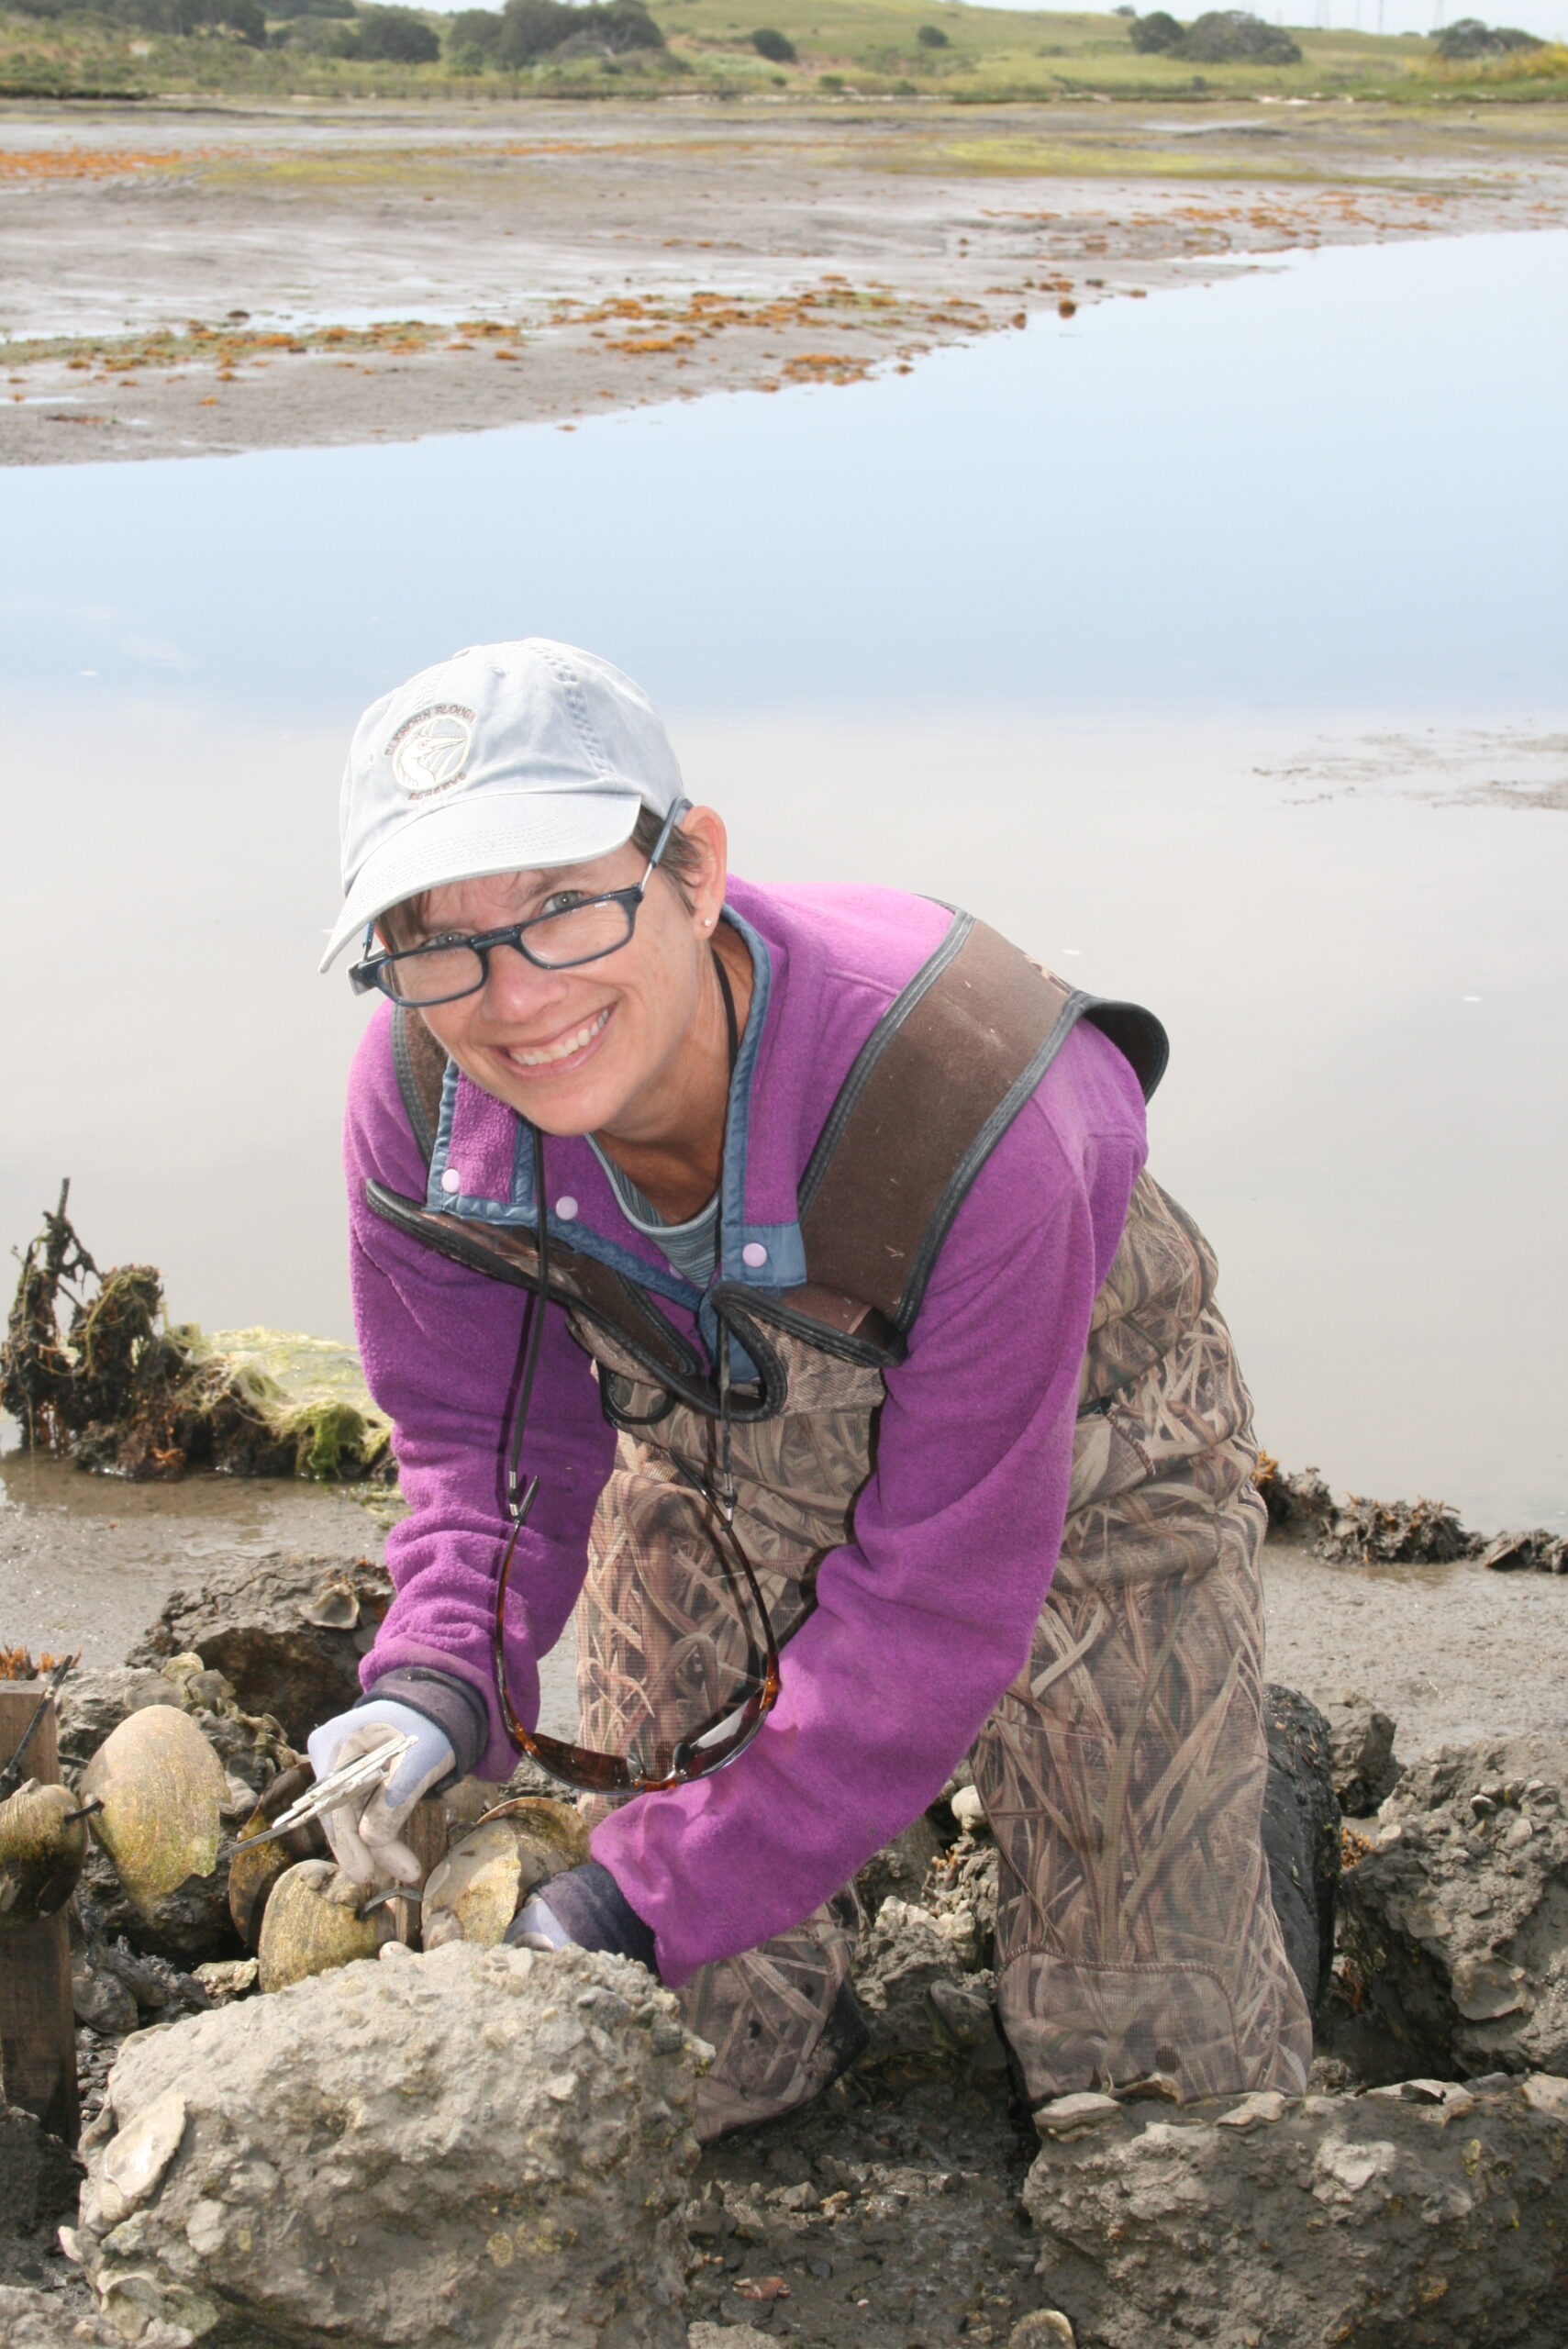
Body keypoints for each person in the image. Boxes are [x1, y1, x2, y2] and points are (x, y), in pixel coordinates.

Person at [309, 636, 1311, 2139]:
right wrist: (440, 1677)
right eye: (432, 941)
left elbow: (935, 1606)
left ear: (693, 869)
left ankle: (1254, 1813)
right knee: (682, 2058)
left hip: (1089, 1464)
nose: (511, 999)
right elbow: (484, 1434)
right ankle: (793, 1990)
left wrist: (629, 1892)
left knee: (1161, 2110)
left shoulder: (964, 1101)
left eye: (563, 908)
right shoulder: (426, 1099)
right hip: (712, 1457)